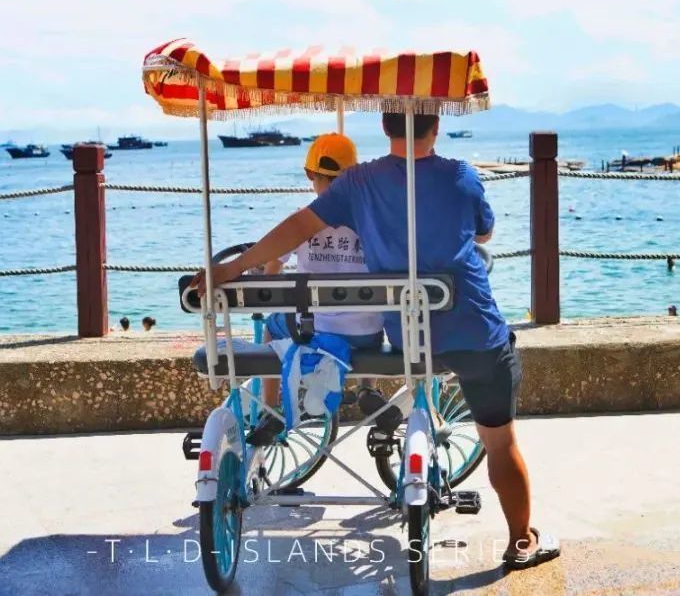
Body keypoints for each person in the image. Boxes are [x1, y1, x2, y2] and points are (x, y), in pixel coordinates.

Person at [193, 111, 558, 570]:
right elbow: (484, 231)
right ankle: (521, 540)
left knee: (418, 361)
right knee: (501, 443)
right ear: (436, 127)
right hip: (476, 334)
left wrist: (232, 268)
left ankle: (389, 419)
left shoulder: (358, 182)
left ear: (385, 128)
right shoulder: (461, 176)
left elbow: (296, 227)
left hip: (410, 337)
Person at [248, 133, 385, 445]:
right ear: (353, 177)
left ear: (310, 175)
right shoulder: (371, 222)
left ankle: (271, 407)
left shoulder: (301, 222)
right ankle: (367, 388)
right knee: (370, 318)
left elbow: (271, 274)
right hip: (365, 337)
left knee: (271, 327)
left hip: (313, 332)